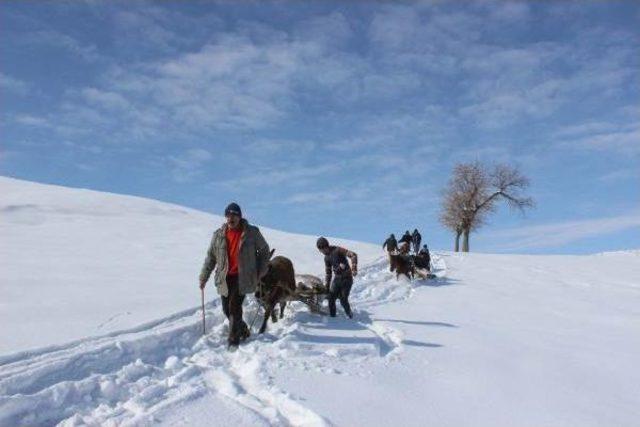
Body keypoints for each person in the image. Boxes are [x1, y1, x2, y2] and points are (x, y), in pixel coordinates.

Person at [199, 202, 271, 346]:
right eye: (228, 215)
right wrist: (203, 277)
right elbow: (211, 257)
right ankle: (243, 329)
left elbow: (264, 250)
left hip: (243, 276)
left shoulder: (251, 233)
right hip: (224, 277)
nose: (231, 218)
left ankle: (233, 341)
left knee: (234, 306)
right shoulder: (218, 235)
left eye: (234, 215)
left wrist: (260, 270)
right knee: (226, 309)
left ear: (239, 217)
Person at [316, 237, 358, 318]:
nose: (321, 252)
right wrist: (327, 287)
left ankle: (350, 316)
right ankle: (333, 318)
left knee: (343, 300)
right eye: (320, 251)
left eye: (322, 250)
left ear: (325, 246)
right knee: (331, 299)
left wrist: (354, 268)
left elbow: (353, 255)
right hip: (337, 279)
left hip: (347, 279)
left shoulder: (338, 250)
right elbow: (328, 273)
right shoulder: (326, 258)